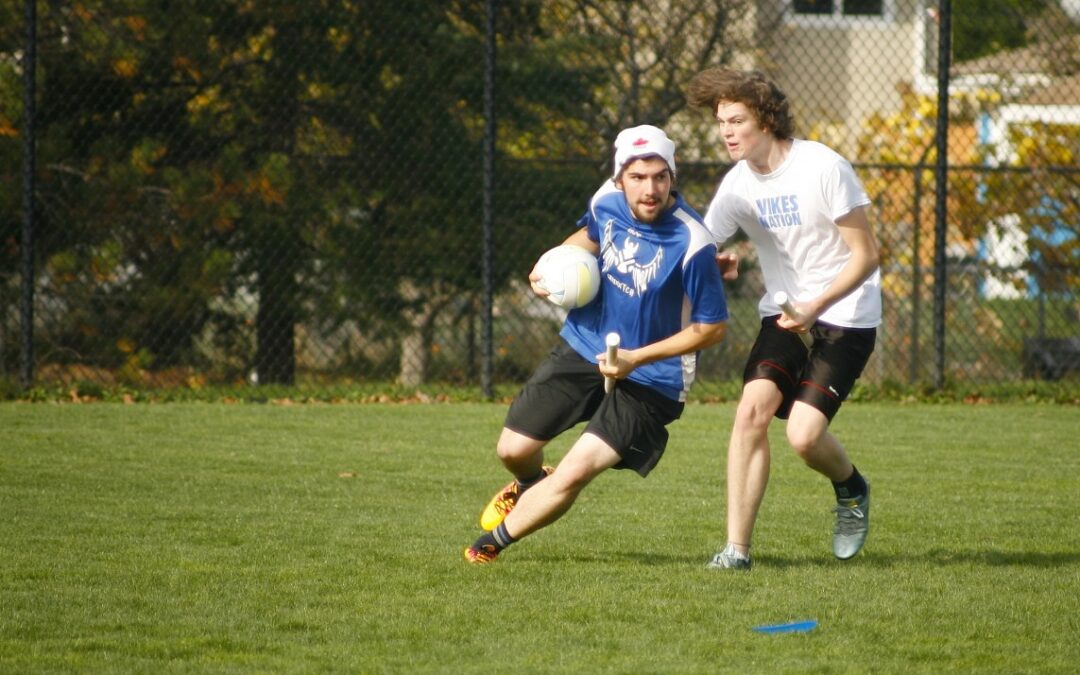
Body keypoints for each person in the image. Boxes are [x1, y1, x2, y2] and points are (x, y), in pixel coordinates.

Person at [464, 125, 730, 564]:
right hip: (585, 343)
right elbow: (586, 240)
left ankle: (488, 545)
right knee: (512, 449)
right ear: (620, 178)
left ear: (672, 178)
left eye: (660, 177)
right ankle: (532, 484)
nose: (650, 189)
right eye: (639, 177)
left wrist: (635, 358)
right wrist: (550, 265)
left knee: (573, 472)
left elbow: (712, 328)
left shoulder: (693, 242)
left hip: (652, 377)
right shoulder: (604, 202)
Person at [686, 68, 881, 570]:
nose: (726, 131)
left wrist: (816, 304)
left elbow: (866, 256)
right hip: (785, 314)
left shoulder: (823, 167)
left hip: (845, 314)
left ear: (766, 120)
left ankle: (851, 488)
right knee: (750, 411)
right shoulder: (736, 186)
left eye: (737, 120)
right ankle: (736, 551)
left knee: (803, 436)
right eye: (721, 122)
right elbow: (703, 246)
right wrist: (723, 260)